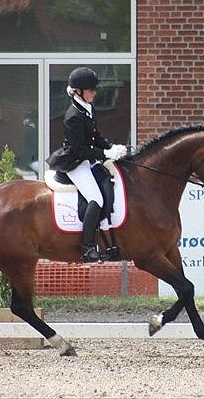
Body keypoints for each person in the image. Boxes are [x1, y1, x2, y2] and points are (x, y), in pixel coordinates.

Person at [46, 67, 127, 262]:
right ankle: (88, 247)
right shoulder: (73, 116)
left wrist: (111, 147)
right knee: (96, 199)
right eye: (91, 90)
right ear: (78, 91)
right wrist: (104, 153)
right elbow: (80, 149)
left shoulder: (88, 108)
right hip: (74, 162)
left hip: (86, 158)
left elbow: (94, 136)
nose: (95, 93)